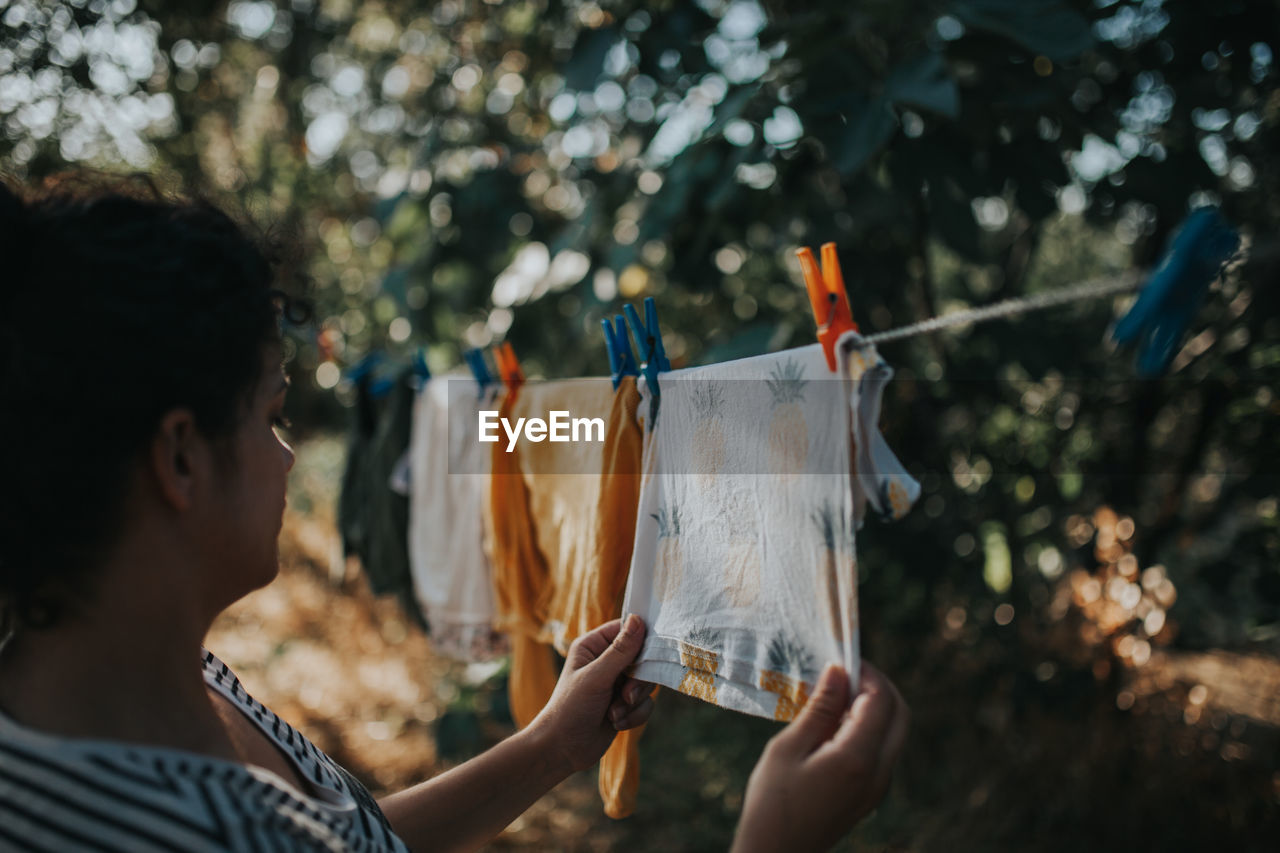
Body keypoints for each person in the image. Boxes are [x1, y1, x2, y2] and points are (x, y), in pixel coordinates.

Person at [0, 175, 909, 852]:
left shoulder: (162, 680)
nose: (287, 455)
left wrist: (553, 742)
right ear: (180, 457)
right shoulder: (176, 827)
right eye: (273, 417)